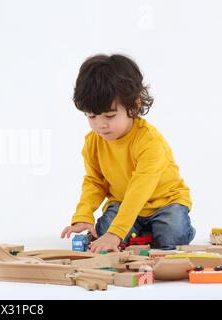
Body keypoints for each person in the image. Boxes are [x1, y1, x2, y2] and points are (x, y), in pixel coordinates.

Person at [61, 54, 195, 253]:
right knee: (104, 229)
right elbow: (95, 181)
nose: (100, 125)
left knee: (173, 235)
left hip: (165, 203)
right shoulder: (93, 142)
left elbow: (139, 190)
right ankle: (140, 231)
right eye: (92, 116)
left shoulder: (149, 142)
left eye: (110, 115)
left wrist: (116, 234)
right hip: (123, 202)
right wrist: (83, 215)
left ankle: (143, 231)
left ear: (134, 106)